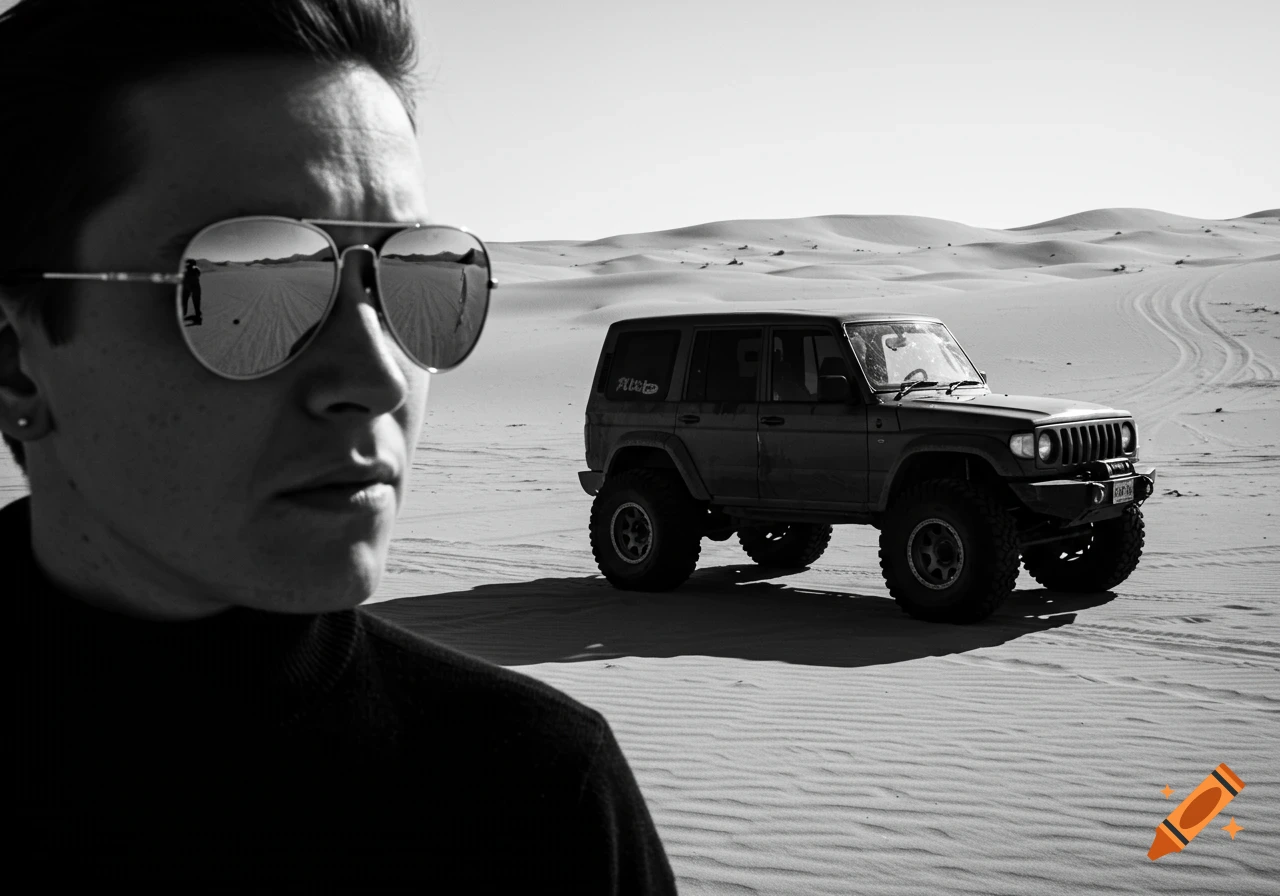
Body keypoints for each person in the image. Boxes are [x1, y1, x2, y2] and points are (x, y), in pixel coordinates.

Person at [0, 1, 677, 890]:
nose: (380, 376)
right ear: (17, 361)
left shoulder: (530, 799)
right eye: (250, 283)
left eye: (418, 275)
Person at [181, 258, 203, 324]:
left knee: (186, 301)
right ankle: (197, 315)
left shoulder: (188, 271)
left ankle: (195, 315)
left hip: (190, 287)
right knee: (194, 301)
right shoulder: (195, 270)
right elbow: (198, 274)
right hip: (192, 287)